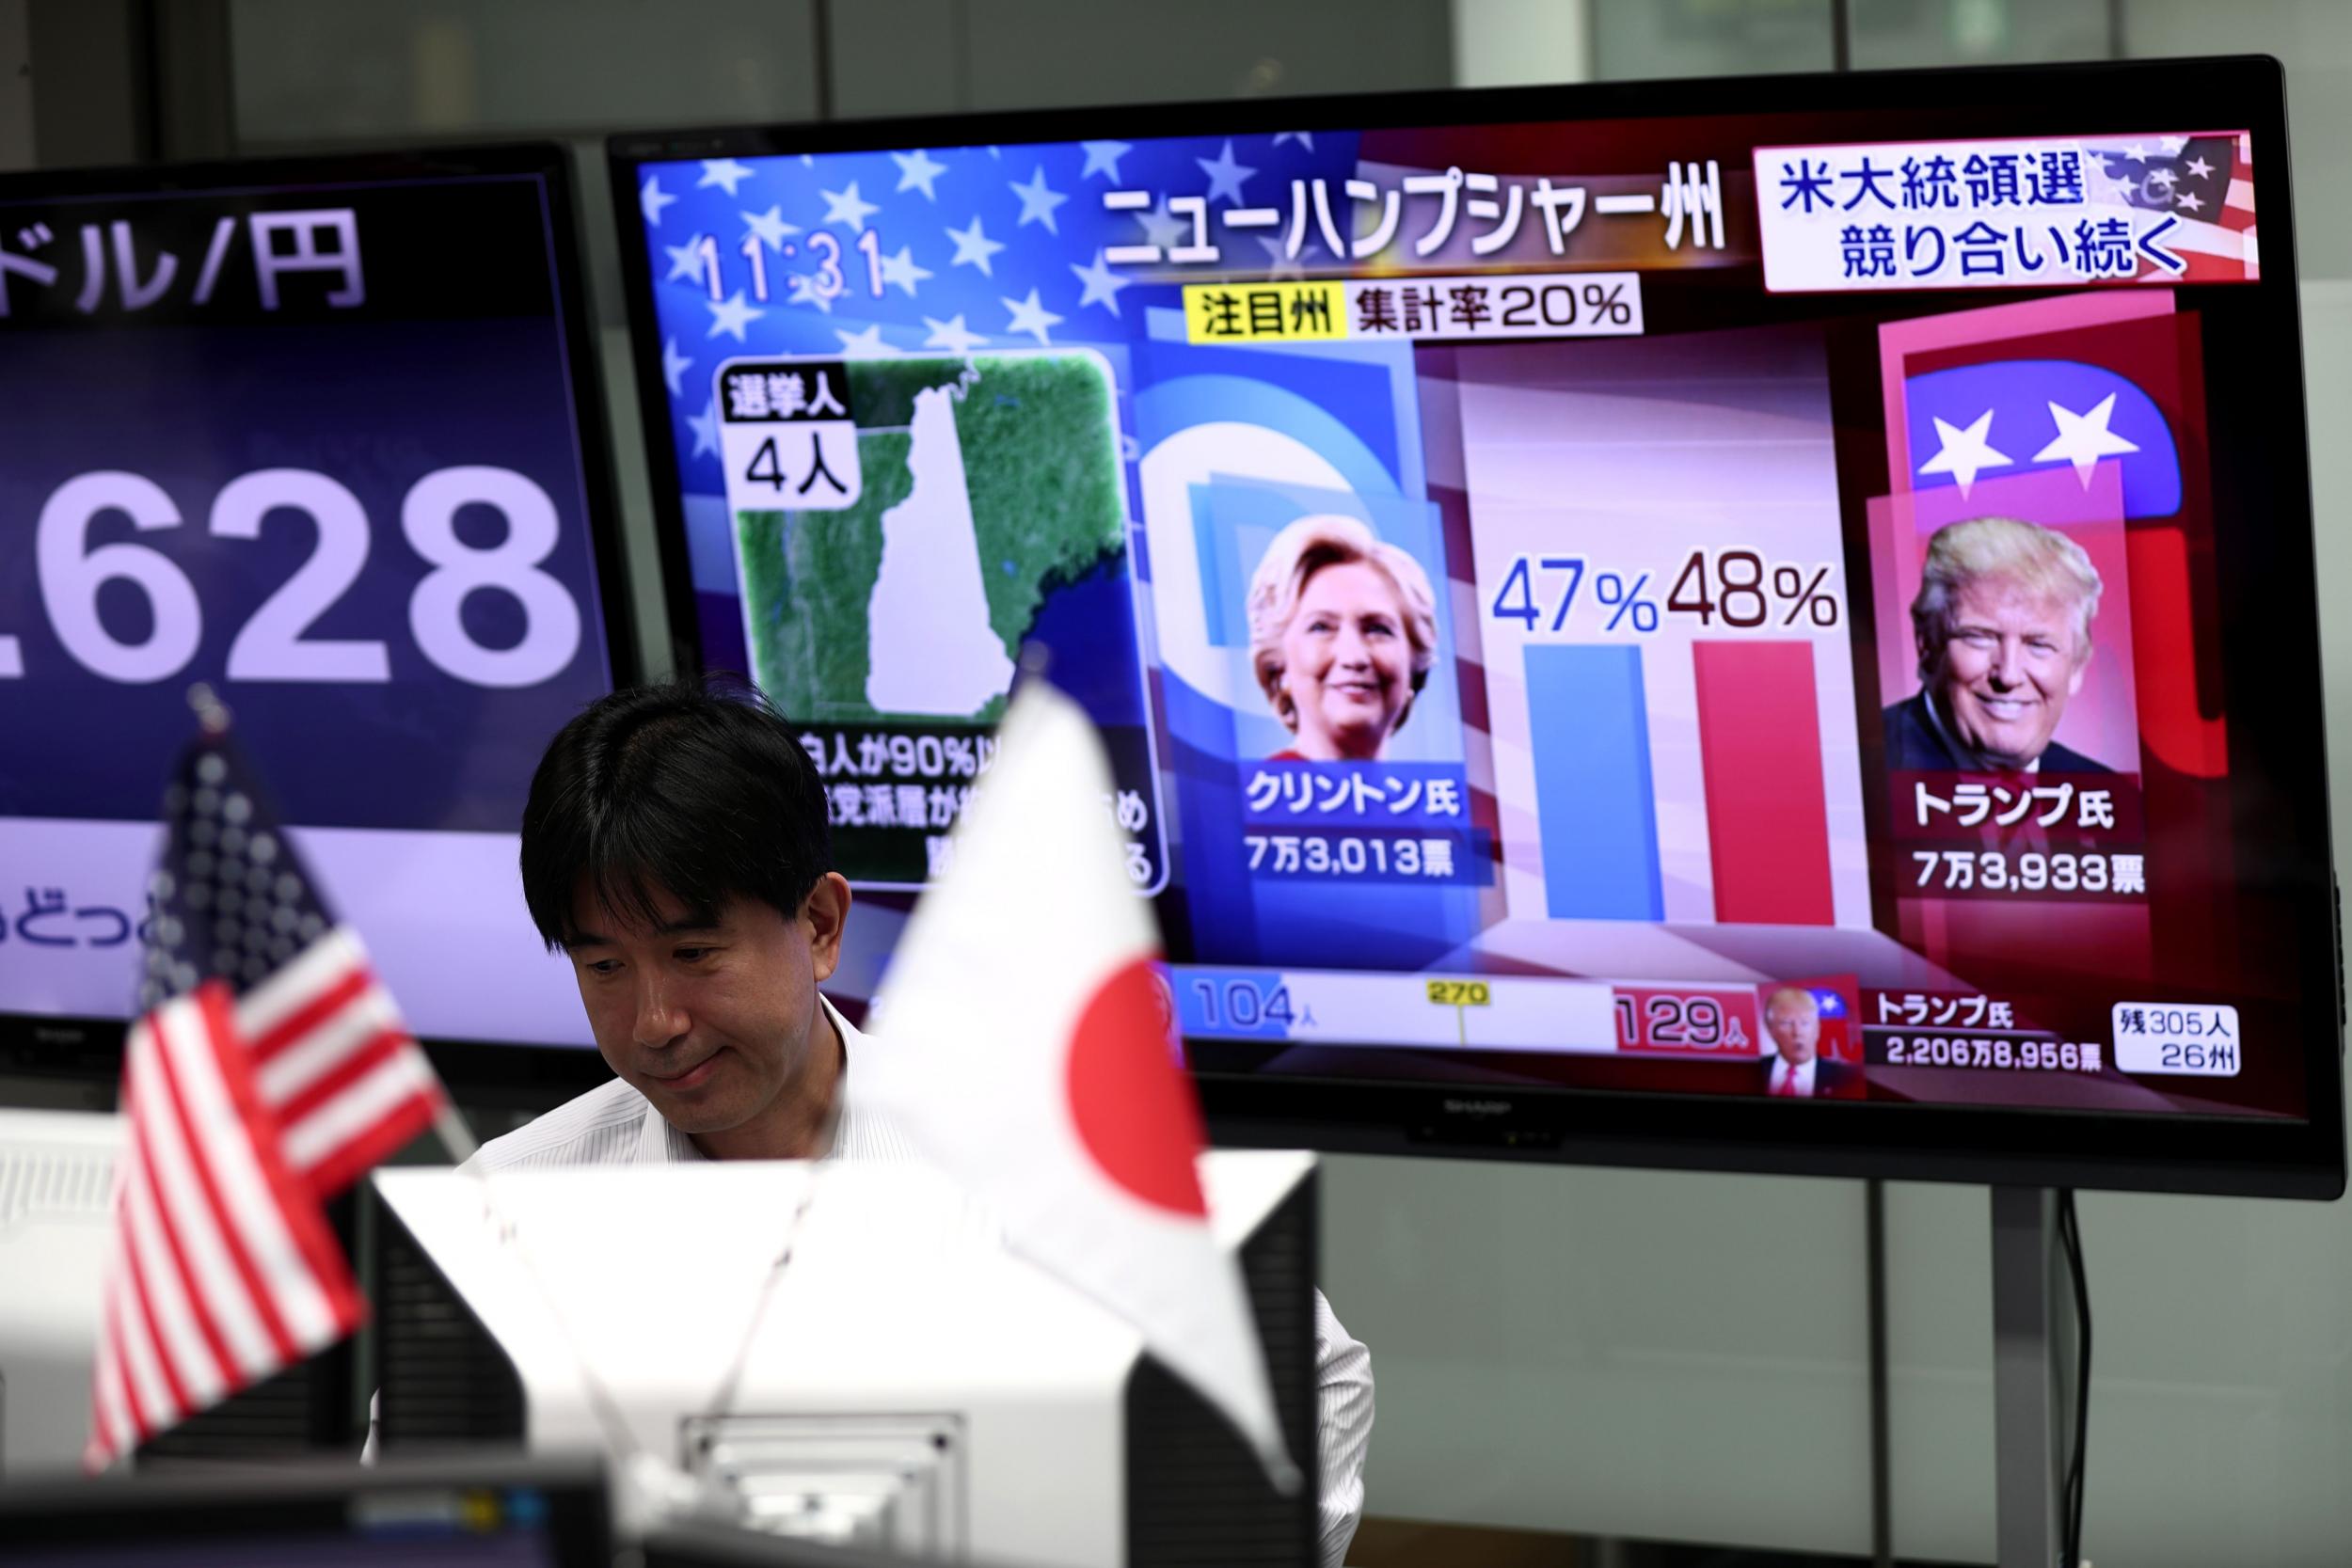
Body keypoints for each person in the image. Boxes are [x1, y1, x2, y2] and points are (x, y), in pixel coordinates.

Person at [474, 680, 1374, 1568]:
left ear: (820, 923)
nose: (652, 1020)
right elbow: (424, 1507)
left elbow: (1314, 1384)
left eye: (693, 953)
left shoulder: (1038, 1158)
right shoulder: (512, 1201)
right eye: (603, 967)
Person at [1882, 515, 2112, 773]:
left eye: (2038, 645)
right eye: (1980, 637)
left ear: (2077, 665)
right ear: (1926, 646)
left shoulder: (2111, 794)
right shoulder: (1858, 768)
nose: (2008, 675)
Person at [1247, 514, 1439, 762]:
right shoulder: (1242, 798)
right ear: (1278, 666)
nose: (1354, 657)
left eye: (1378, 629)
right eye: (1321, 628)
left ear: (1414, 664)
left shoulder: (1428, 798)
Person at [1758, 986, 1858, 1100]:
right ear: (1771, 1029)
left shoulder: (1845, 1078)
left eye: (1805, 1023)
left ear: (1817, 1029)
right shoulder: (1752, 1071)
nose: (1797, 1032)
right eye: (1786, 1023)